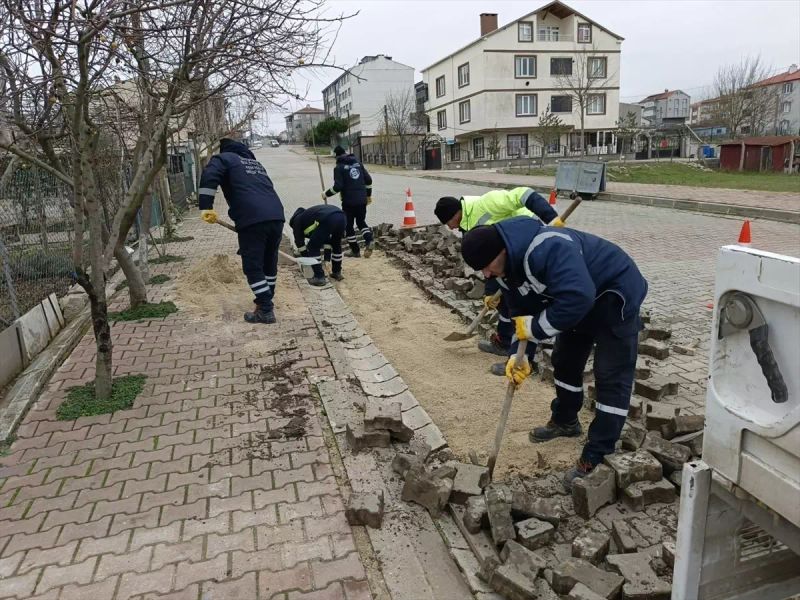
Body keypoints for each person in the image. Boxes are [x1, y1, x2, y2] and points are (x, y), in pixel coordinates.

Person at [460, 217, 648, 488]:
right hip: (575, 303)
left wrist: (536, 327)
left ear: (502, 251)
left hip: (613, 297)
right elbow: (521, 312)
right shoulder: (505, 270)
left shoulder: (548, 248)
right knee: (565, 361)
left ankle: (598, 454)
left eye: (487, 266)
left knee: (610, 376)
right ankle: (565, 421)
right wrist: (518, 356)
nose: (486, 275)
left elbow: (579, 297)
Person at [434, 188, 564, 375]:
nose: (451, 228)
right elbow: (487, 261)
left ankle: (521, 359)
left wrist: (551, 219)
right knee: (504, 303)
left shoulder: (486, 203)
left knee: (522, 305)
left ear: (455, 214)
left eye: (449, 223)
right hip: (507, 259)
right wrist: (490, 292)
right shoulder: (467, 224)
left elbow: (522, 194)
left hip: (527, 245)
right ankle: (504, 342)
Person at [198, 138, 284, 325]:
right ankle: (265, 301)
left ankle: (266, 310)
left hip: (252, 218)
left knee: (253, 266)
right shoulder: (256, 164)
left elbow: (209, 175)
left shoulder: (224, 159)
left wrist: (205, 206)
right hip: (277, 216)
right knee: (269, 263)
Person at [323, 146, 374, 258]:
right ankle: (369, 240)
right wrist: (368, 195)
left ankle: (355, 251)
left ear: (336, 156)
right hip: (362, 200)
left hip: (349, 202)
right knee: (361, 222)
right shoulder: (358, 163)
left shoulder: (339, 168)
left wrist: (326, 194)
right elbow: (369, 180)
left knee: (348, 226)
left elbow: (338, 187)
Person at [289, 204, 346, 286]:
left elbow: (300, 244)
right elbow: (326, 239)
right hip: (342, 217)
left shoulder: (296, 221)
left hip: (328, 218)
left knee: (312, 246)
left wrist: (307, 259)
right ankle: (337, 272)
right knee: (336, 244)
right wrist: (327, 258)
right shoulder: (310, 217)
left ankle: (319, 277)